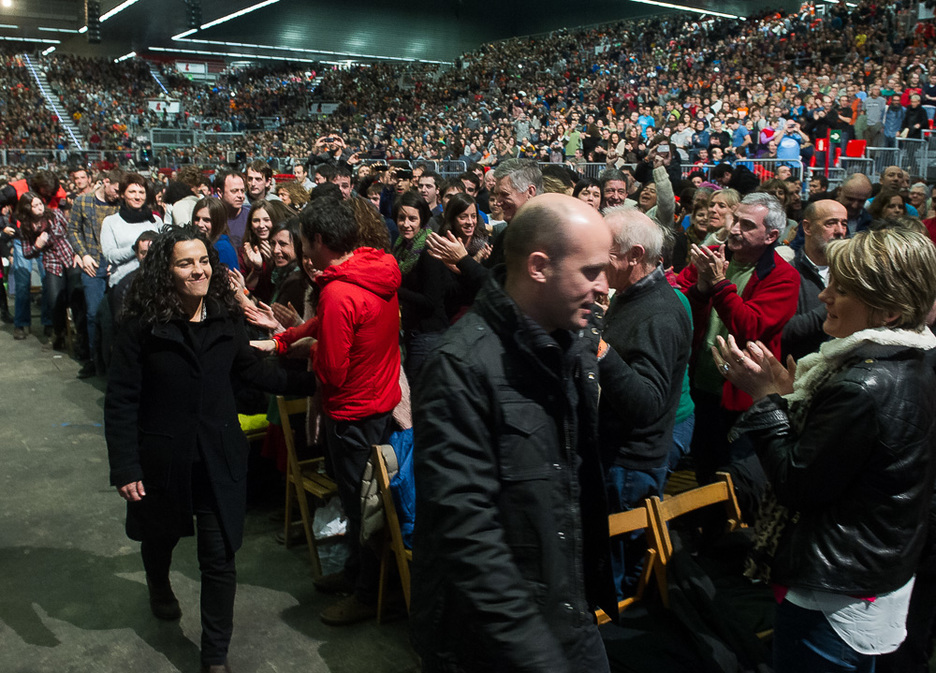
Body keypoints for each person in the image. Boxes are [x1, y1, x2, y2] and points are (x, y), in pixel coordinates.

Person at [714, 227, 936, 673]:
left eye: (843, 289)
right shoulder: (913, 362)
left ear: (889, 311)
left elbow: (798, 482)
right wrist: (790, 395)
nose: (823, 296)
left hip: (835, 589)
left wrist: (766, 401)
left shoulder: (861, 385)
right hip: (875, 570)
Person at [411, 193, 617, 672]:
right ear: (539, 266)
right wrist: (538, 656)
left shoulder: (571, 346)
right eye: (591, 272)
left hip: (567, 613)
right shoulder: (460, 365)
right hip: (497, 644)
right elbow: (467, 532)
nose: (604, 287)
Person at [105, 227, 315, 673]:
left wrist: (318, 380)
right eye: (185, 263)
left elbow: (252, 371)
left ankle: (214, 656)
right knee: (158, 536)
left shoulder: (223, 317)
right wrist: (125, 465)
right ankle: (159, 585)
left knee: (218, 560)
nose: (198, 270)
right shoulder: (140, 325)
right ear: (166, 271)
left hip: (219, 457)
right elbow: (122, 398)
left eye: (203, 260)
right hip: (163, 460)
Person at [277, 196, 401, 626]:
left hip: (351, 415)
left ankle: (366, 595)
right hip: (379, 408)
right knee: (366, 502)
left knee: (361, 506)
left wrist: (301, 350)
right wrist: (290, 335)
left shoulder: (338, 291)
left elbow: (331, 369)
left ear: (316, 239)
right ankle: (355, 574)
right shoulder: (375, 269)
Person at [599, 206, 692, 599]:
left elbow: (647, 403)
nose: (595, 256)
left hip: (630, 464)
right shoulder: (631, 296)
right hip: (622, 457)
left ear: (635, 255)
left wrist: (602, 353)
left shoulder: (658, 314)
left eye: (606, 248)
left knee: (618, 568)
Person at [677, 192, 800, 483]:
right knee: (703, 470)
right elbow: (680, 302)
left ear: (771, 236)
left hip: (742, 398)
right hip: (700, 386)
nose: (733, 229)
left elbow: (751, 327)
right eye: (735, 220)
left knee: (732, 479)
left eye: (746, 225)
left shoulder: (783, 277)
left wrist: (718, 285)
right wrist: (700, 290)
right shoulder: (714, 259)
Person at [68, 168, 122, 377]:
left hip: (113, 263)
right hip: (92, 263)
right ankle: (94, 358)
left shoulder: (119, 205)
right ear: (105, 182)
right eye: (116, 190)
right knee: (92, 314)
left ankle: (111, 359)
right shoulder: (83, 202)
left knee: (115, 315)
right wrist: (82, 253)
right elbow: (72, 230)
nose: (117, 195)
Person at [781, 200, 848, 361]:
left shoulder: (849, 274)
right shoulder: (787, 273)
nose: (840, 231)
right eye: (830, 224)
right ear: (807, 227)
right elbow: (785, 330)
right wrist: (835, 304)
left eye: (844, 224)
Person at [17, 192, 81, 351]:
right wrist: (37, 246)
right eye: (35, 206)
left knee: (76, 294)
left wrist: (79, 253)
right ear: (27, 209)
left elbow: (73, 231)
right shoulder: (26, 227)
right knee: (54, 299)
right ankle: (59, 333)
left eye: (40, 204)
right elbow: (27, 253)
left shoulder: (55, 215)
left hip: (69, 255)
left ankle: (80, 336)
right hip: (52, 261)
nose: (39, 208)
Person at [100, 173, 161, 289]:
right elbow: (110, 255)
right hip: (123, 285)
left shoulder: (155, 220)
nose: (137, 197)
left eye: (141, 192)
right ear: (122, 194)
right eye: (132, 192)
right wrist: (135, 248)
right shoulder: (111, 222)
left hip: (153, 283)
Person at [191, 196, 239, 272]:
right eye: (197, 219)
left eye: (206, 220)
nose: (200, 224)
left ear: (218, 222)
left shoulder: (222, 248)